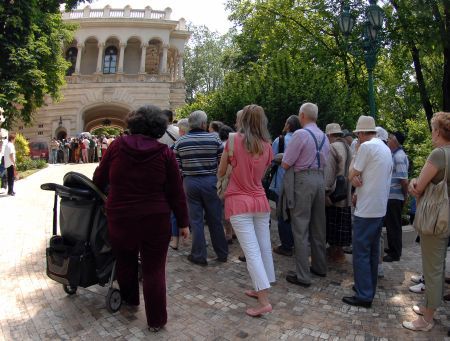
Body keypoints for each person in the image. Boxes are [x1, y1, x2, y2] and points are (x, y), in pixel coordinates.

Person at [93, 105, 189, 332]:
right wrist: (184, 222)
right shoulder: (164, 153)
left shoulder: (116, 146)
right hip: (155, 218)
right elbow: (176, 192)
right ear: (158, 127)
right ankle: (156, 320)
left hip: (121, 216)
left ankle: (130, 300)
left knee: (125, 260)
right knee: (154, 269)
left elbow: (98, 178)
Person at [218, 104, 275, 317]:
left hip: (239, 202)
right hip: (260, 200)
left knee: (251, 252)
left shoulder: (232, 140)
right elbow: (263, 172)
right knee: (263, 248)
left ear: (243, 120)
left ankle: (264, 301)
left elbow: (222, 171)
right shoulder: (268, 145)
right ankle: (263, 287)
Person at [402, 112, 450, 332]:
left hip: (433, 219)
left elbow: (418, 187)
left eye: (432, 129)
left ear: (438, 131)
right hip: (444, 217)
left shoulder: (439, 154)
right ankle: (428, 309)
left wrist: (412, 182)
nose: (431, 132)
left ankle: (426, 320)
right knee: (437, 266)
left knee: (432, 269)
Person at [342, 115, 392, 308]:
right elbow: (369, 175)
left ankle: (363, 295)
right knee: (371, 251)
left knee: (361, 252)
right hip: (379, 207)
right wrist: (357, 183)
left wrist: (355, 154)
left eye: (358, 135)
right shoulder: (385, 148)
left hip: (367, 209)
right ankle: (368, 287)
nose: (358, 138)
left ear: (362, 133)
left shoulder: (366, 147)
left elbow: (350, 173)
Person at [281, 103, 330, 287]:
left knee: (300, 227)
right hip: (320, 180)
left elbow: (286, 163)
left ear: (302, 115)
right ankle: (320, 266)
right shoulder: (324, 137)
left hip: (303, 180)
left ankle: (302, 275)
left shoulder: (300, 134)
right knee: (319, 226)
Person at [173, 110, 228, 266]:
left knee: (196, 220)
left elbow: (177, 168)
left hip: (190, 183)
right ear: (204, 124)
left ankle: (199, 255)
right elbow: (221, 162)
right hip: (210, 181)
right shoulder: (214, 139)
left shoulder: (180, 142)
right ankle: (222, 253)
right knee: (215, 219)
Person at [270, 115, 301, 257]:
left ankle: (286, 246)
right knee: (296, 215)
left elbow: (272, 159)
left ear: (288, 125)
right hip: (299, 182)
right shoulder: (302, 140)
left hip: (282, 182)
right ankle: (296, 243)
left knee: (283, 214)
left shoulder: (280, 140)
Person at [324, 123, 352, 263]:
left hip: (335, 195)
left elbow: (329, 173)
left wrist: (326, 192)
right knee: (342, 226)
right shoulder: (348, 147)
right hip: (346, 194)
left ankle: (335, 254)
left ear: (329, 135)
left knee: (333, 225)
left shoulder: (332, 147)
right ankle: (339, 252)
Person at [383, 131, 409, 262]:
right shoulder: (394, 154)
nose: (388, 139)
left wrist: (405, 196)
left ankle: (395, 253)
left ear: (396, 141)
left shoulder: (399, 156)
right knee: (390, 224)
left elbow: (404, 180)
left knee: (394, 225)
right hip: (391, 196)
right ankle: (393, 248)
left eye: (391, 138)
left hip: (395, 196)